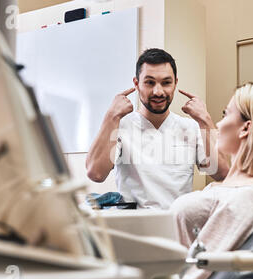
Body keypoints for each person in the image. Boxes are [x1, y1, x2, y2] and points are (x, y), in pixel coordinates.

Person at [147, 82, 253, 279]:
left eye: (225, 113)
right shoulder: (234, 186)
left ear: (246, 128)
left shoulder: (248, 197)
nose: (218, 123)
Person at [86, 48, 229, 209]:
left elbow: (222, 174)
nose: (158, 91)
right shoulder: (120, 126)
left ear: (175, 83)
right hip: (134, 226)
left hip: (177, 225)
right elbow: (95, 173)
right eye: (150, 82)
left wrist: (205, 120)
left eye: (166, 83)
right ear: (136, 84)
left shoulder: (191, 127)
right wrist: (111, 116)